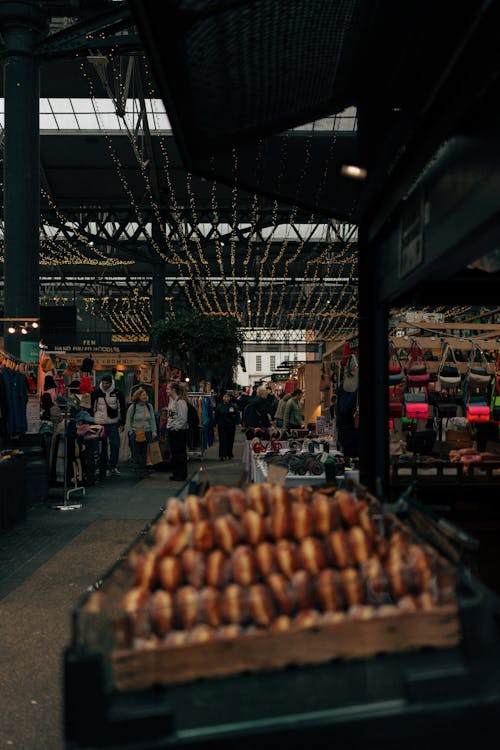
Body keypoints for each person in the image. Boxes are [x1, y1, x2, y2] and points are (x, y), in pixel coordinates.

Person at [91, 374, 126, 477]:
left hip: (113, 423)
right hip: (100, 423)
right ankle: (103, 466)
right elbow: (92, 407)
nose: (105, 385)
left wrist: (122, 423)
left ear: (111, 383)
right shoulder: (96, 393)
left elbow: (122, 408)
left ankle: (113, 465)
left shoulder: (118, 393)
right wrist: (92, 421)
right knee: (101, 447)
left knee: (115, 445)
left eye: (107, 383)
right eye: (103, 383)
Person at [125, 388, 157, 480]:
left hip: (147, 432)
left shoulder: (149, 406)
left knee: (144, 452)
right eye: (143, 395)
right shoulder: (133, 407)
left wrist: (154, 431)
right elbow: (128, 421)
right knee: (136, 452)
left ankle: (143, 470)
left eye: (146, 395)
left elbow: (152, 419)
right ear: (138, 396)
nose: (145, 397)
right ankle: (137, 470)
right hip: (136, 432)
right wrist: (131, 432)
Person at [166, 381, 188, 481]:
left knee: (180, 453)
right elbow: (171, 415)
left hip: (178, 431)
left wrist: (176, 428)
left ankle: (181, 474)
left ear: (173, 390)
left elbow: (183, 418)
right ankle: (176, 473)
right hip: (172, 429)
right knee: (174, 453)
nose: (166, 391)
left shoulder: (181, 401)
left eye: (168, 389)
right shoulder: (172, 400)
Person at [215, 391, 240, 460]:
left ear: (230, 398)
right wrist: (216, 424)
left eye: (228, 397)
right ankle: (222, 455)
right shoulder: (219, 406)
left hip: (231, 426)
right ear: (223, 398)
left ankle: (229, 454)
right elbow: (216, 416)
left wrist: (237, 422)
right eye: (225, 397)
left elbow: (237, 415)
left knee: (230, 440)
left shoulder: (233, 406)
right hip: (222, 426)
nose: (226, 398)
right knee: (222, 440)